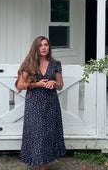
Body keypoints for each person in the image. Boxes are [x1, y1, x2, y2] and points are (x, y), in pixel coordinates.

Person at [15, 36, 66, 170]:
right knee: (37, 133)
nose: (44, 47)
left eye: (46, 45)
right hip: (34, 104)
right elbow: (20, 85)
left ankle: (42, 163)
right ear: (36, 48)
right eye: (41, 45)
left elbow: (61, 85)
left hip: (51, 104)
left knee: (48, 134)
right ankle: (40, 165)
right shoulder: (29, 64)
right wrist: (38, 84)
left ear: (49, 47)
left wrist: (54, 83)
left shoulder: (56, 64)